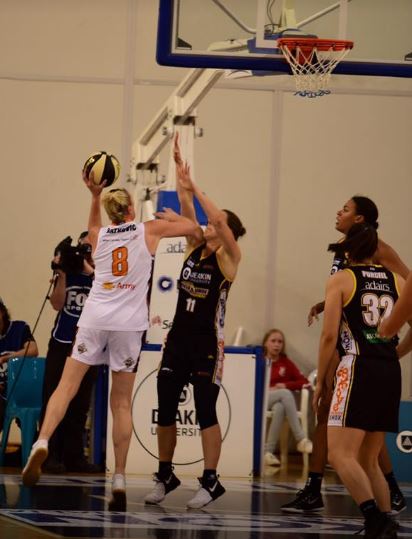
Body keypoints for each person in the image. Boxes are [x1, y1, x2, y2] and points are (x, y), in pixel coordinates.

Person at [22, 171, 201, 512]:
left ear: (109, 211)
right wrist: (177, 215)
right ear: (131, 208)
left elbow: (92, 222)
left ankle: (41, 442)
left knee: (65, 387)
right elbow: (193, 229)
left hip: (94, 319)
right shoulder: (149, 230)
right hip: (128, 326)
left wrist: (93, 194)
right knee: (120, 403)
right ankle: (119, 477)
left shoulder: (98, 235)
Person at [281, 196, 408, 514]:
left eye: (346, 209)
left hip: (358, 350)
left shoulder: (379, 249)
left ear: (360, 219)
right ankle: (315, 488)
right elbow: (357, 292)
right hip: (355, 344)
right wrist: (326, 304)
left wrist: (396, 348)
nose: (339, 211)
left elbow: (402, 287)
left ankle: (388, 492)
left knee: (353, 430)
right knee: (329, 415)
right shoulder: (343, 247)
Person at [144, 135, 246, 509]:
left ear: (226, 231)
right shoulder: (194, 247)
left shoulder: (229, 258)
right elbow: (190, 212)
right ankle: (165, 474)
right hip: (178, 339)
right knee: (165, 406)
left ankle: (211, 480)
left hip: (207, 344)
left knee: (205, 410)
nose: (207, 224)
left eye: (216, 224)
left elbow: (213, 217)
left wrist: (196, 187)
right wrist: (181, 177)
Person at [313, 222, 404, 538]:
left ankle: (374, 519)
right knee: (368, 458)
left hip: (358, 367)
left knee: (339, 455)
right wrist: (395, 352)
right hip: (389, 370)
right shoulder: (396, 280)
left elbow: (329, 336)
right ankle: (386, 520)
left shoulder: (341, 279)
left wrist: (321, 380)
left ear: (349, 251)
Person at [41, 232, 99, 474]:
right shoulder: (68, 271)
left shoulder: (101, 275)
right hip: (62, 342)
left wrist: (90, 270)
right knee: (53, 396)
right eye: (83, 247)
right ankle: (49, 454)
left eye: (90, 248)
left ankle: (74, 456)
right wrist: (62, 274)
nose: (85, 252)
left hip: (90, 345)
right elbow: (56, 304)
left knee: (80, 402)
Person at [262, 328, 312, 466]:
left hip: (276, 399)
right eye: (273, 341)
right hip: (260, 398)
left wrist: (285, 385)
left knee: (280, 407)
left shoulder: (285, 362)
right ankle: (301, 438)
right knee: (285, 394)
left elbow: (305, 382)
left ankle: (267, 453)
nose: (277, 345)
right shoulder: (259, 360)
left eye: (280, 342)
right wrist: (267, 388)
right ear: (265, 343)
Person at [0, 298, 39, 432]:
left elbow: (33, 350)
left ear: (2, 312)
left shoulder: (19, 328)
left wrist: (6, 358)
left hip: (23, 387)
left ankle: (33, 442)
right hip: (2, 393)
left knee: (28, 418)